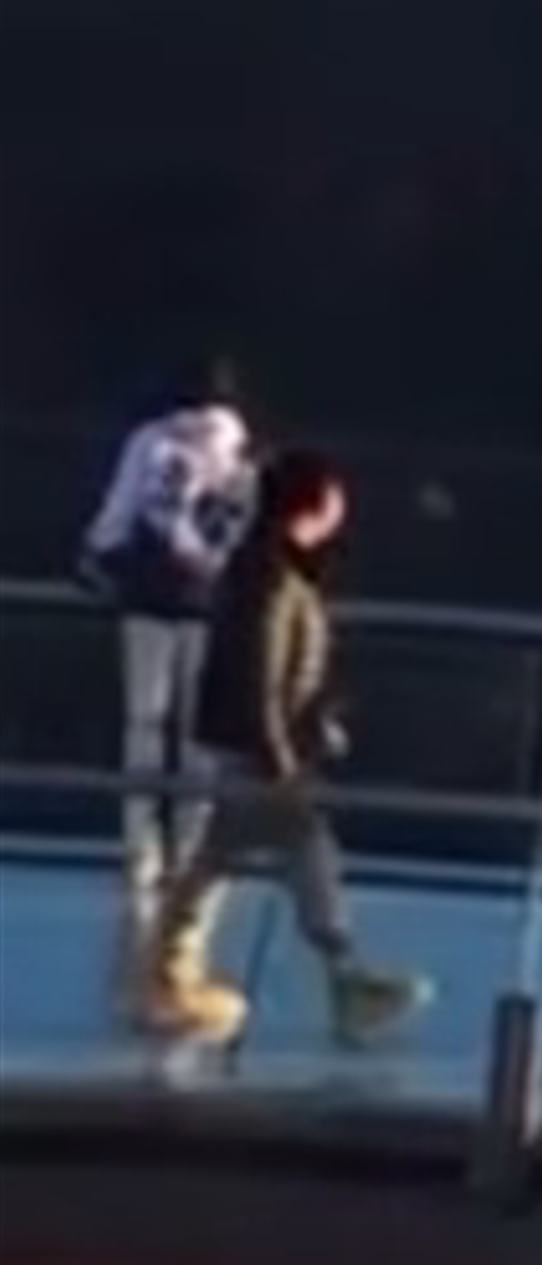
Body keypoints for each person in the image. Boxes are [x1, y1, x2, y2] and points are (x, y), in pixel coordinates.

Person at [131, 451, 429, 1054]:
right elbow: (259, 672)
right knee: (297, 850)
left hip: (255, 747)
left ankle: (168, 977)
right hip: (259, 751)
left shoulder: (268, 571)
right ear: (311, 506)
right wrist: (279, 754)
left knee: (228, 858)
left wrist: (310, 722)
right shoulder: (269, 578)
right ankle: (345, 983)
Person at [77, 363, 258, 908]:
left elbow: (119, 514)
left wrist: (97, 555)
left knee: (145, 723)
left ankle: (140, 846)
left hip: (150, 600)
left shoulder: (151, 443)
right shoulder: (244, 454)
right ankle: (193, 849)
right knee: (201, 732)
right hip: (212, 607)